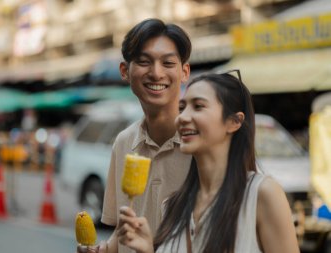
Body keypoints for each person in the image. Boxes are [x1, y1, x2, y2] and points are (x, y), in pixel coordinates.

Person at [117, 70, 300, 253]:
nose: (182, 117)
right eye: (182, 108)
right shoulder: (171, 207)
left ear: (234, 121)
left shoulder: (261, 194)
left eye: (198, 106)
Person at [77, 18, 192, 253]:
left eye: (168, 63)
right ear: (124, 71)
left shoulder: (203, 143)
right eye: (143, 62)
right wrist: (103, 250)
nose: (156, 73)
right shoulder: (123, 143)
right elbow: (123, 235)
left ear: (184, 72)